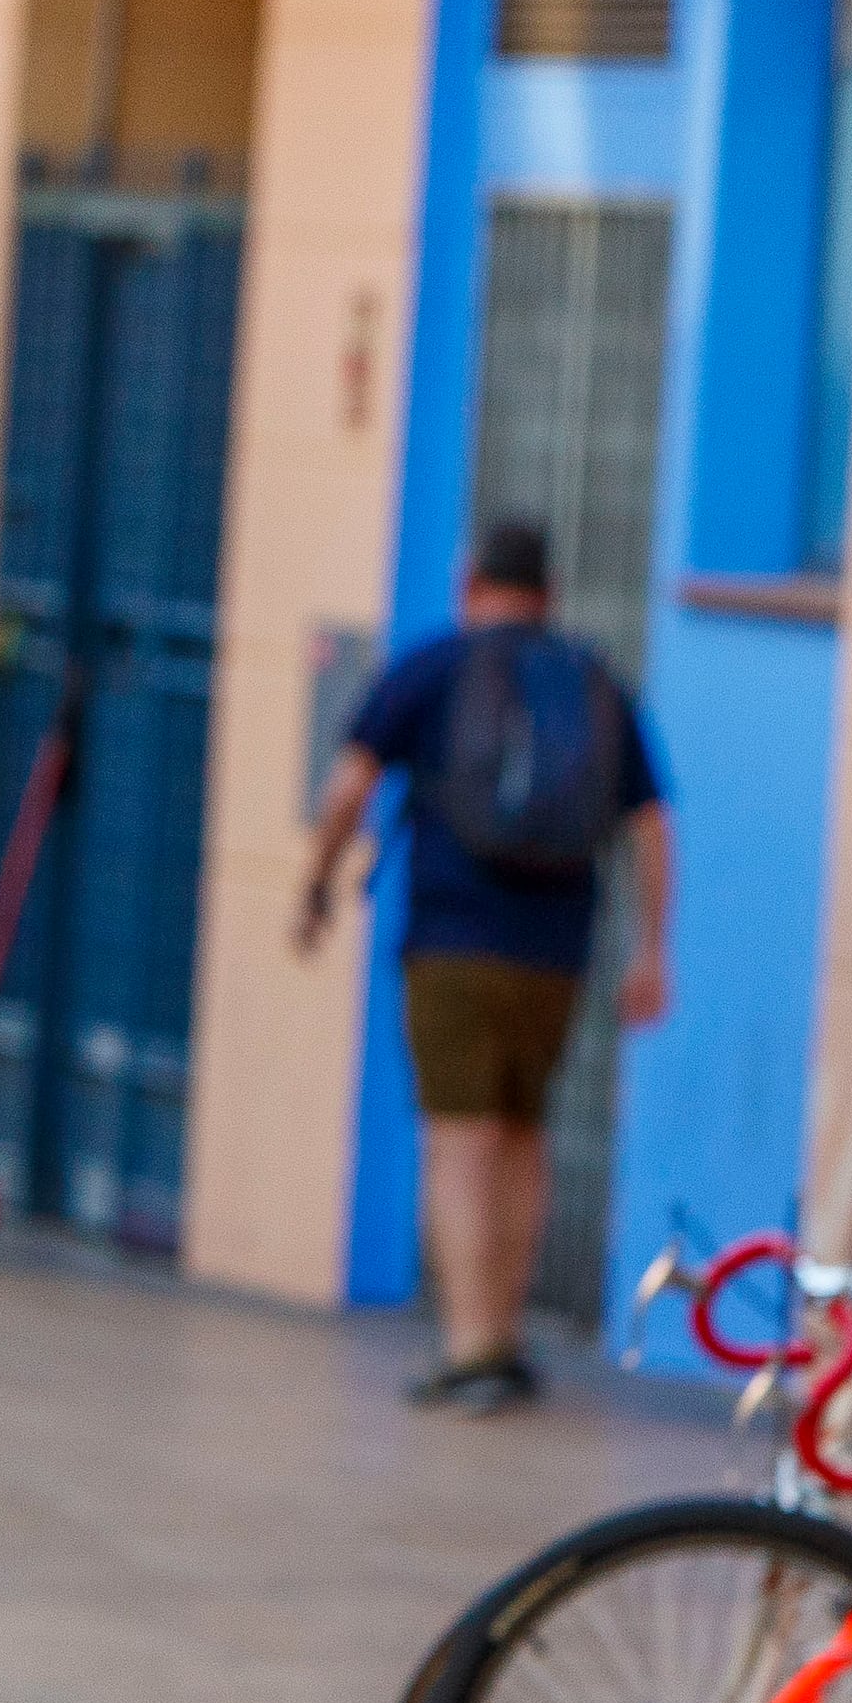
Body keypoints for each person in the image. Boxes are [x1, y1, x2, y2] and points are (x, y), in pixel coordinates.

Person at [296, 517, 673, 1414]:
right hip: (558, 951)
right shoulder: (595, 682)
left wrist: (316, 882)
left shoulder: (434, 667)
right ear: (549, 591)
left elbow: (350, 783)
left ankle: (472, 1346)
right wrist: (653, 949)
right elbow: (651, 827)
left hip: (454, 942)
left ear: (472, 580)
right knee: (523, 1133)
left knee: (460, 1136)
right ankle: (505, 1326)